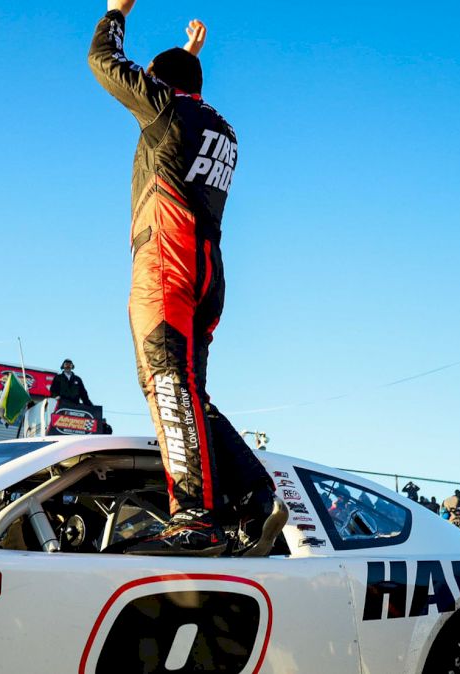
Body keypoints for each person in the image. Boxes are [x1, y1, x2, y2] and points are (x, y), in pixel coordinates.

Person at [89, 1, 272, 555]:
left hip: (165, 263)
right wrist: (186, 57)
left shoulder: (165, 109)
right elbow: (178, 89)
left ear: (159, 83)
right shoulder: (222, 126)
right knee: (188, 390)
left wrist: (116, 12)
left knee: (167, 384)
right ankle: (253, 496)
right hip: (206, 270)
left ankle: (194, 516)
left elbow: (103, 60)